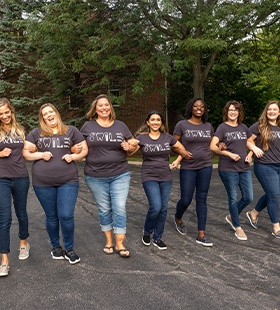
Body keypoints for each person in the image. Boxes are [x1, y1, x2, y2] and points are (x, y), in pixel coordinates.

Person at [22, 103, 88, 264]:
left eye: (51, 112)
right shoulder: (36, 133)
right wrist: (39, 154)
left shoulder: (71, 131)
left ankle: (69, 249)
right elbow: (26, 154)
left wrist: (73, 157)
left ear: (56, 113)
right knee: (51, 217)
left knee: (66, 215)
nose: (49, 115)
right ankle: (56, 247)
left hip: (68, 181)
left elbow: (84, 150)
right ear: (42, 118)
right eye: (45, 114)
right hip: (43, 182)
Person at [80, 94, 137, 258]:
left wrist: (128, 147)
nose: (104, 108)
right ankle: (109, 241)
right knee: (104, 208)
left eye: (107, 105)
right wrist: (75, 151)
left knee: (119, 207)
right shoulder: (87, 127)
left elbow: (133, 146)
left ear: (110, 107)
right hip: (95, 175)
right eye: (100, 106)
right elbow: (78, 146)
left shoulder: (121, 126)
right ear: (95, 109)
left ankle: (120, 243)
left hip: (120, 173)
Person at [131, 110, 192, 250]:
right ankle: (147, 231)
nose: (155, 122)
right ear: (147, 122)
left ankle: (158, 238)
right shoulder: (142, 138)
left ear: (161, 123)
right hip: (149, 175)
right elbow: (129, 152)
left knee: (163, 209)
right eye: (152, 120)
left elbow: (182, 149)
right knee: (156, 207)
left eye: (158, 120)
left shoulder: (167, 137)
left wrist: (177, 160)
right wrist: (130, 145)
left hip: (166, 176)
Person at [210, 100, 261, 241]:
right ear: (227, 112)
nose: (233, 112)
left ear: (239, 113)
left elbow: (251, 142)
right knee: (233, 198)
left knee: (248, 197)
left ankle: (232, 216)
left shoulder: (243, 127)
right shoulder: (222, 127)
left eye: (236, 110)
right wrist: (229, 154)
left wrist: (250, 155)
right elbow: (213, 146)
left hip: (244, 168)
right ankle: (237, 227)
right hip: (228, 168)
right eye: (230, 110)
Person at [171, 98, 214, 246]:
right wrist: (182, 153)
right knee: (186, 199)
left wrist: (220, 143)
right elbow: (173, 144)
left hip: (206, 165)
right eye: (196, 106)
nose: (199, 108)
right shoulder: (182, 125)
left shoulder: (208, 126)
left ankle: (201, 235)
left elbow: (212, 143)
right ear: (191, 108)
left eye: (202, 106)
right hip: (188, 166)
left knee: (202, 199)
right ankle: (178, 217)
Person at [0, 98, 31, 277]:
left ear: (12, 111)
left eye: (7, 112)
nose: (4, 116)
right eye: (1, 114)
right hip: (2, 178)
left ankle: (23, 243)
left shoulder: (20, 130)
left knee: (21, 212)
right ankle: (4, 260)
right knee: (4, 217)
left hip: (20, 177)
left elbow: (27, 151)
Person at [246, 100, 280, 238]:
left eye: (275, 109)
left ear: (279, 112)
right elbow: (247, 139)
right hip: (265, 165)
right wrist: (253, 148)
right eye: (269, 109)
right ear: (266, 112)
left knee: (273, 193)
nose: (271, 111)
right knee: (274, 195)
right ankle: (276, 227)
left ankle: (253, 213)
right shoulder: (259, 126)